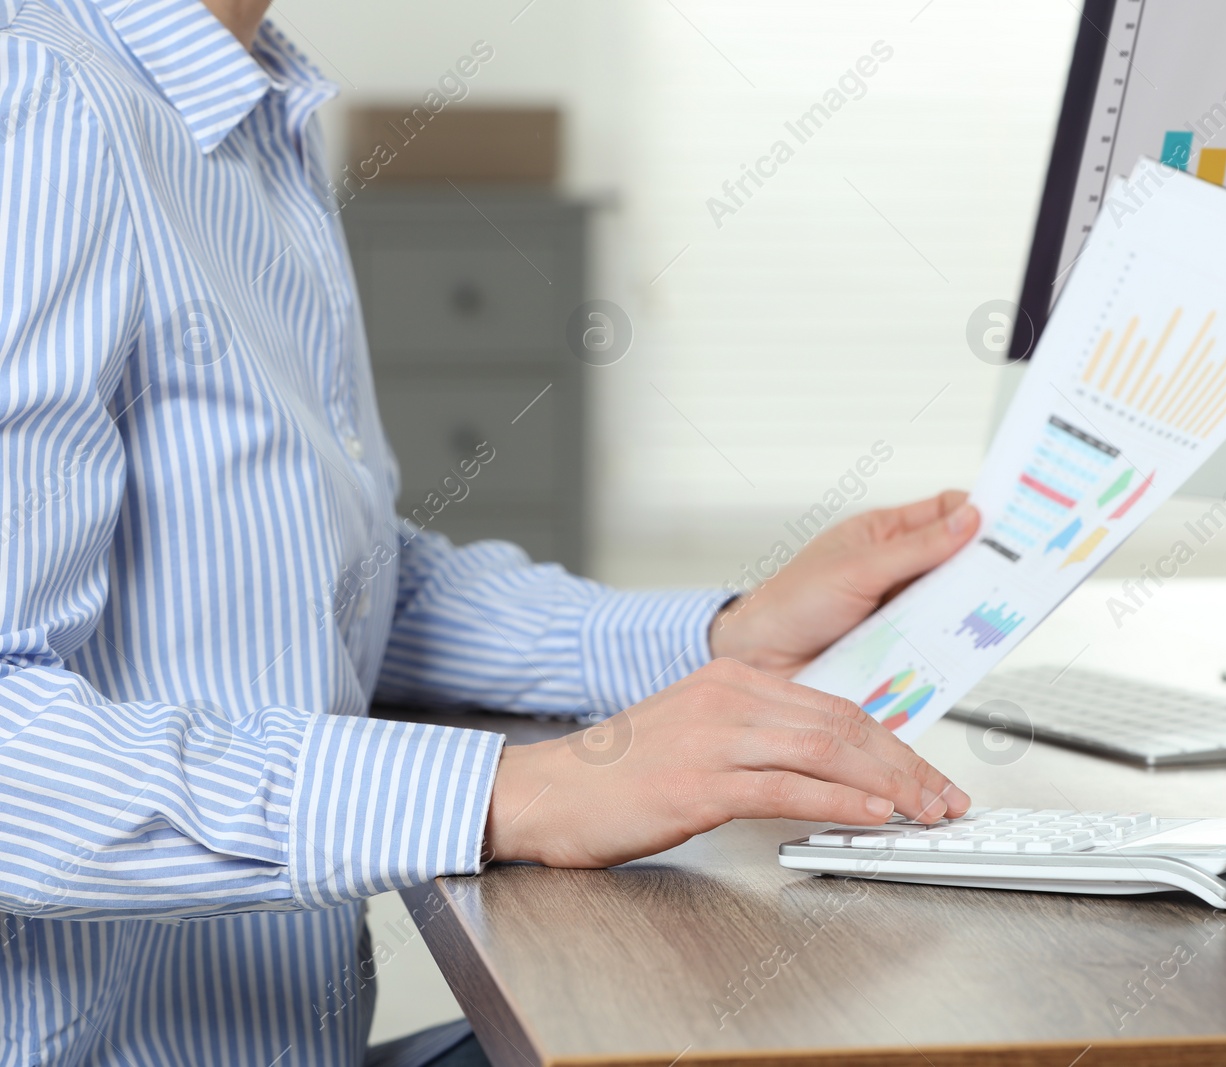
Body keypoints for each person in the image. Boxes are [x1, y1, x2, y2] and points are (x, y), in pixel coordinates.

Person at [0, 0, 978, 1062]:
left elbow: (331, 577)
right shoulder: (41, 101)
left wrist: (723, 638)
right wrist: (513, 791)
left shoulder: (239, 106)